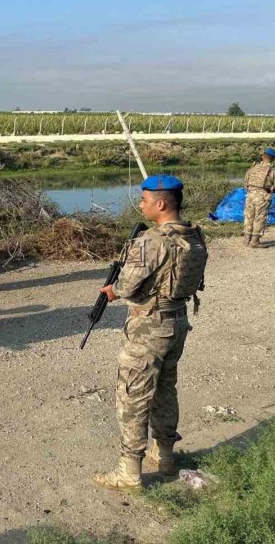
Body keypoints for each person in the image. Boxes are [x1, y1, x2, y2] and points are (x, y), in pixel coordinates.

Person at [93, 175, 208, 491]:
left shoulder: (151, 242)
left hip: (149, 329)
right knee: (165, 390)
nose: (140, 204)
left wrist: (113, 290)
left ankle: (129, 471)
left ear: (160, 203)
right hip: (177, 321)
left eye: (144, 199)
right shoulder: (193, 235)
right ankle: (167, 457)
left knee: (132, 395)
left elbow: (128, 286)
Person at [242, 148, 275, 248]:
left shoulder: (253, 168)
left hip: (250, 195)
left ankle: (246, 240)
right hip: (263, 197)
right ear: (272, 159)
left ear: (262, 156)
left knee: (248, 217)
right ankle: (255, 242)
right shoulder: (272, 171)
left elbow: (245, 183)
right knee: (260, 218)